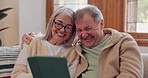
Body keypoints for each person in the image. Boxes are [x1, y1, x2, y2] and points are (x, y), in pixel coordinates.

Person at [21, 5, 143, 78]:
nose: (84, 34)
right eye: (79, 30)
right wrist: (33, 37)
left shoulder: (123, 42)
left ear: (101, 24)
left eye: (88, 28)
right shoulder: (77, 45)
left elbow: (131, 76)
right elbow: (59, 38)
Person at [11, 6, 79, 78]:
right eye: (59, 24)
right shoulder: (31, 42)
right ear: (52, 23)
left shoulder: (73, 53)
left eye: (68, 27)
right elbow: (16, 75)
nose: (62, 30)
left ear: (72, 31)